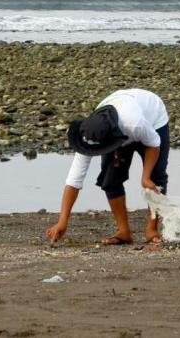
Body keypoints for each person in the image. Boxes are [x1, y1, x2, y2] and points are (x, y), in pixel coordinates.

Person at [45, 88, 170, 245]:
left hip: (153, 117)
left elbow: (154, 143)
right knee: (110, 179)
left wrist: (145, 177)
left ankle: (152, 229)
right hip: (120, 121)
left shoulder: (135, 123)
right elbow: (74, 180)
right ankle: (124, 232)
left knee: (155, 178)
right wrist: (62, 221)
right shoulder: (89, 134)